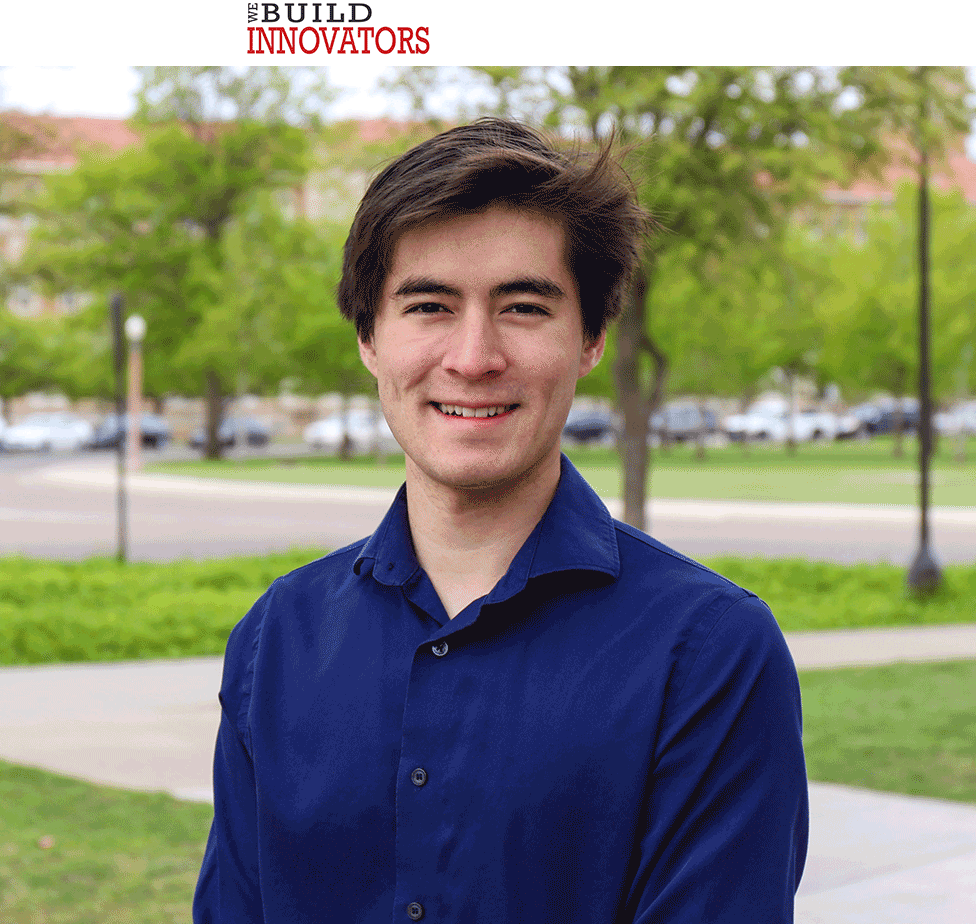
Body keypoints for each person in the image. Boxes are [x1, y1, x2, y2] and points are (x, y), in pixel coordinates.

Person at [193, 118, 807, 923]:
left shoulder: (709, 654)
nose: (474, 356)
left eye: (522, 306)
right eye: (429, 305)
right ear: (368, 337)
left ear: (589, 338)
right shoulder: (277, 638)